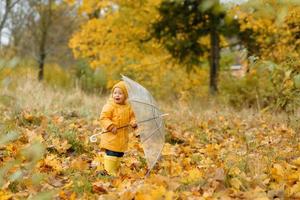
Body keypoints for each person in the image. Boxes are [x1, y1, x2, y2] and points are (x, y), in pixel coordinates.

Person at [99, 81, 137, 176]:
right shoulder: (110, 106)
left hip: (122, 138)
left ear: (125, 96)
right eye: (115, 93)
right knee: (112, 153)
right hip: (111, 137)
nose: (117, 95)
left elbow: (132, 117)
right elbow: (104, 117)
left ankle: (114, 169)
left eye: (120, 93)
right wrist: (111, 126)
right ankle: (108, 171)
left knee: (119, 154)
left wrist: (133, 122)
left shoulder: (128, 107)